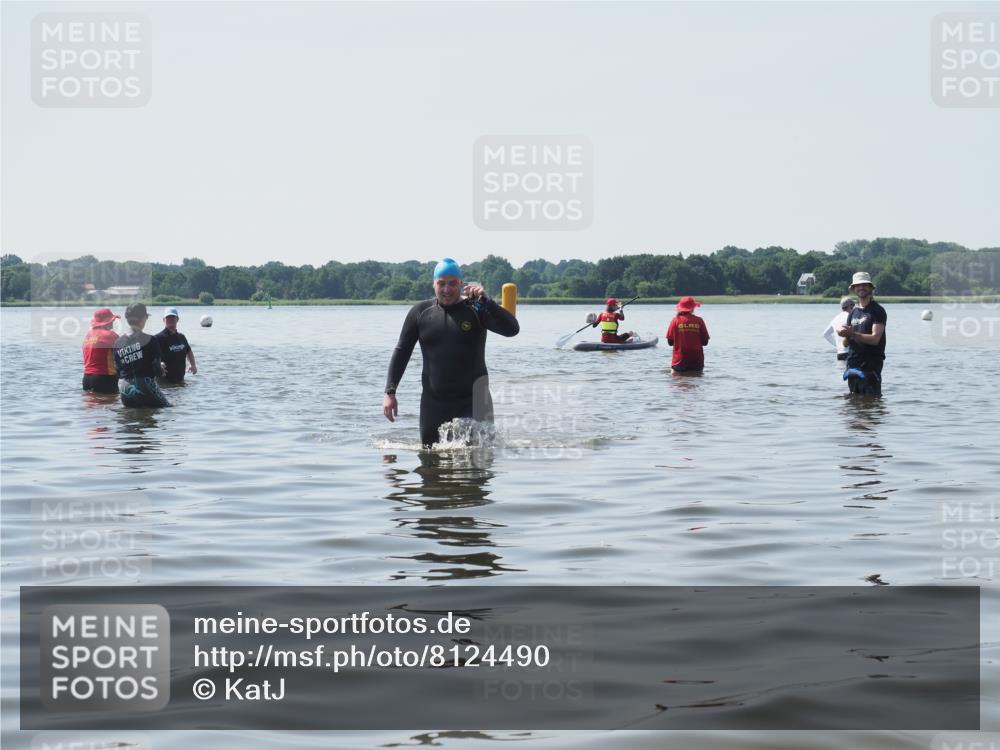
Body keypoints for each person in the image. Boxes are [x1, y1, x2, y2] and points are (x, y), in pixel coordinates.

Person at [382, 257, 520, 446]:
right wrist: (390, 392)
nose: (447, 289)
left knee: (477, 462)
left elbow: (512, 330)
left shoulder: (476, 309)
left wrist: (488, 302)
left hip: (474, 401)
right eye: (441, 284)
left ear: (461, 284)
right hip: (434, 403)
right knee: (429, 459)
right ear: (434, 284)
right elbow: (402, 351)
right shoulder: (420, 312)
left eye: (452, 283)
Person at [838, 272, 887, 396]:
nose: (861, 288)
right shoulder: (853, 312)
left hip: (870, 368)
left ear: (871, 288)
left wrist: (852, 333)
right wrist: (845, 334)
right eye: (858, 285)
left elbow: (875, 339)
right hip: (853, 366)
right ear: (854, 289)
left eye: (865, 285)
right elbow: (846, 343)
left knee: (871, 408)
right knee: (853, 408)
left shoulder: (877, 311)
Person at [114, 302, 171, 408]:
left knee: (130, 420)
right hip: (144, 385)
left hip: (124, 387)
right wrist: (161, 368)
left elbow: (118, 370)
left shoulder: (118, 342)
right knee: (167, 409)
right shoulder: (151, 340)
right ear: (143, 318)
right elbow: (157, 370)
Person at [81, 308, 121, 393]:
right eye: (112, 320)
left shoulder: (88, 335)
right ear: (107, 321)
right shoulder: (111, 335)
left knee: (92, 404)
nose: (113, 321)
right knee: (110, 404)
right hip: (105, 377)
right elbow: (124, 354)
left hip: (87, 378)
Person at [666, 296, 709, 372]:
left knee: (677, 382)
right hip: (697, 362)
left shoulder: (675, 320)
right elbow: (705, 342)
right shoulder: (699, 320)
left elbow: (670, 342)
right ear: (693, 308)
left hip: (679, 362)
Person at [154, 307, 197, 383]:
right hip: (164, 382)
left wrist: (193, 365)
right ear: (163, 320)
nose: (170, 319)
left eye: (173, 317)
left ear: (177, 319)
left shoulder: (181, 337)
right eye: (168, 317)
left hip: (180, 380)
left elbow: (188, 351)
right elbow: (151, 357)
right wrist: (158, 364)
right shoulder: (158, 338)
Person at [823, 296, 856, 360]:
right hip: (851, 353)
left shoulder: (835, 318)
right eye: (853, 305)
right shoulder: (851, 317)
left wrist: (837, 345)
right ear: (850, 306)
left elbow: (825, 334)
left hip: (840, 354)